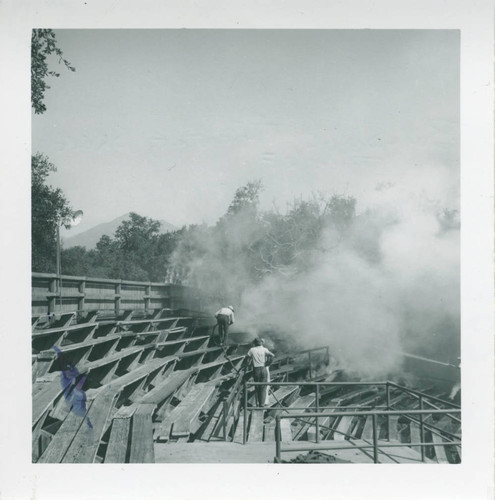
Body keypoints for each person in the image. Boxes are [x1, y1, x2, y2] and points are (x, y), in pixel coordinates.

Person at [247, 338, 274, 408]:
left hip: (256, 369)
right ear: (261, 343)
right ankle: (262, 404)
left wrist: (248, 365)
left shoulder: (252, 349)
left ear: (255, 343)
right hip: (263, 368)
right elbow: (272, 355)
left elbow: (247, 358)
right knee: (263, 387)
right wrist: (268, 363)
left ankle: (257, 403)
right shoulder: (264, 349)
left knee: (257, 387)